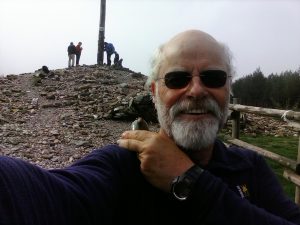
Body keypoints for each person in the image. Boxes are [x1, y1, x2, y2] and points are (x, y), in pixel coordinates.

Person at [0, 30, 300, 225]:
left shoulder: (251, 168)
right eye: (177, 79)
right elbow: (47, 196)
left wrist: (190, 182)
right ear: (155, 92)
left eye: (213, 78)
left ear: (228, 89)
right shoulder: (122, 166)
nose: (196, 91)